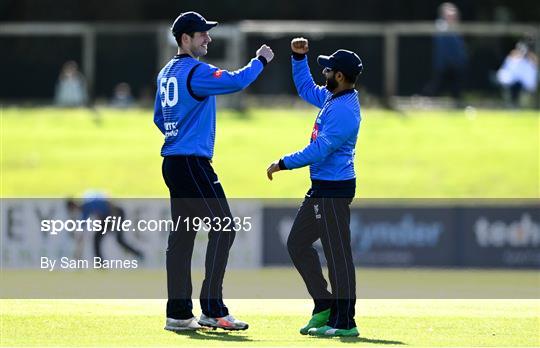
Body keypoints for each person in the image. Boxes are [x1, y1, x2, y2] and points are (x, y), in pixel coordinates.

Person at [153, 11, 274, 332]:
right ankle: (212, 308)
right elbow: (236, 81)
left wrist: (178, 132)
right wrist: (260, 61)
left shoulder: (166, 73)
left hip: (174, 162)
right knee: (224, 228)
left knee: (182, 238)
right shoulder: (195, 71)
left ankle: (178, 314)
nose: (208, 38)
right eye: (201, 34)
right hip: (192, 164)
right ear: (185, 40)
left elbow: (158, 118)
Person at [267, 37, 362, 337]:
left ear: (341, 77)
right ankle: (324, 305)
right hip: (322, 188)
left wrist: (283, 162)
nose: (324, 73)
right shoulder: (333, 98)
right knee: (297, 243)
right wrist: (298, 59)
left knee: (337, 255)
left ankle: (345, 321)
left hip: (334, 190)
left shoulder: (344, 110)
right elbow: (307, 88)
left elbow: (320, 150)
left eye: (328, 70)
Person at [423, 2, 468, 106]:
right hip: (444, 64)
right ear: (443, 14)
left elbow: (460, 47)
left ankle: (457, 104)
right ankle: (425, 102)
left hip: (457, 64)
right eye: (449, 14)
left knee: (456, 88)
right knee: (436, 86)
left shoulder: (456, 27)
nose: (452, 16)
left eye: (453, 14)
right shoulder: (440, 26)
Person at [496, 39, 538, 108]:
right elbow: (506, 72)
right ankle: (512, 104)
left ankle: (518, 104)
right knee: (512, 91)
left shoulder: (529, 60)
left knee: (521, 93)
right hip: (512, 83)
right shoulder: (512, 59)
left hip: (524, 85)